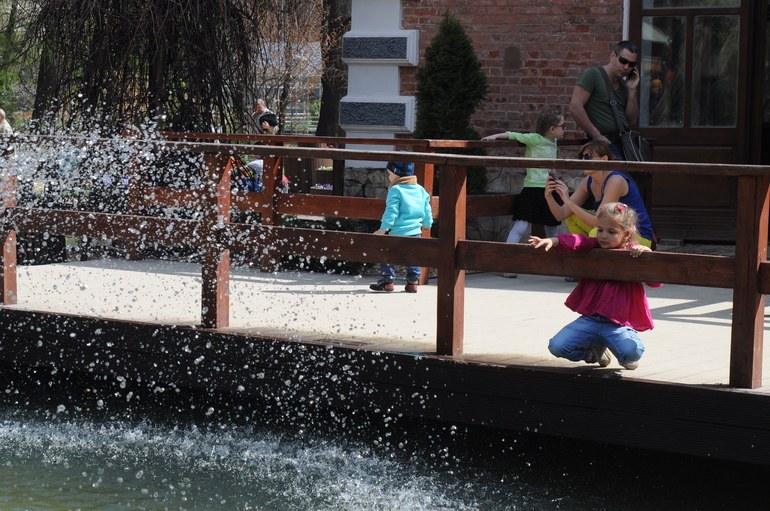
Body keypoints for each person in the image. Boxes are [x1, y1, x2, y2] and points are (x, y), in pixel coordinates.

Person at [529, 202, 662, 370]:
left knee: (632, 353)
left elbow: (655, 282)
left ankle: (621, 354)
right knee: (557, 347)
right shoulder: (592, 246)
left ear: (627, 234)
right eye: (600, 230)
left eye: (611, 232)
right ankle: (593, 353)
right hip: (591, 319)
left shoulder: (633, 253)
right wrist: (553, 240)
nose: (603, 236)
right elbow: (577, 240)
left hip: (618, 323)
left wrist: (647, 256)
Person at [482, 108, 566, 278]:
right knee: (521, 227)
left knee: (553, 228)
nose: (565, 129)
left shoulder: (554, 141)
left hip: (550, 188)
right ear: (552, 129)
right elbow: (513, 135)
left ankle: (558, 265)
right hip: (532, 189)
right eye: (563, 126)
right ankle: (506, 263)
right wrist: (495, 136)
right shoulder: (535, 139)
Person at [545, 140, 654, 248]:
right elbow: (561, 215)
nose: (583, 161)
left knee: (596, 231)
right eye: (581, 157)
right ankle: (582, 252)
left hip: (636, 237)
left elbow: (597, 223)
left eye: (588, 157)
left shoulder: (615, 180)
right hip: (612, 232)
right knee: (571, 217)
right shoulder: (588, 181)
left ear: (604, 159)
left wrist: (569, 202)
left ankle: (590, 251)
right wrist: (548, 196)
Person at [569, 41, 640, 160]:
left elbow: (631, 121)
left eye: (631, 64)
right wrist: (597, 136)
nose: (626, 67)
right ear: (612, 56)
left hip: (624, 143)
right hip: (603, 144)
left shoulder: (625, 85)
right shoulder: (592, 75)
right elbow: (575, 107)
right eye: (623, 61)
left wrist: (632, 90)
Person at [369, 161, 433, 293]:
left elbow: (391, 211)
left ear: (397, 174)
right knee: (414, 256)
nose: (389, 177)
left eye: (389, 174)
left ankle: (387, 281)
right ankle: (413, 283)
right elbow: (427, 209)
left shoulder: (395, 189)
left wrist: (383, 228)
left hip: (397, 232)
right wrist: (427, 224)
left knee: (387, 254)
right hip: (415, 232)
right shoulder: (420, 189)